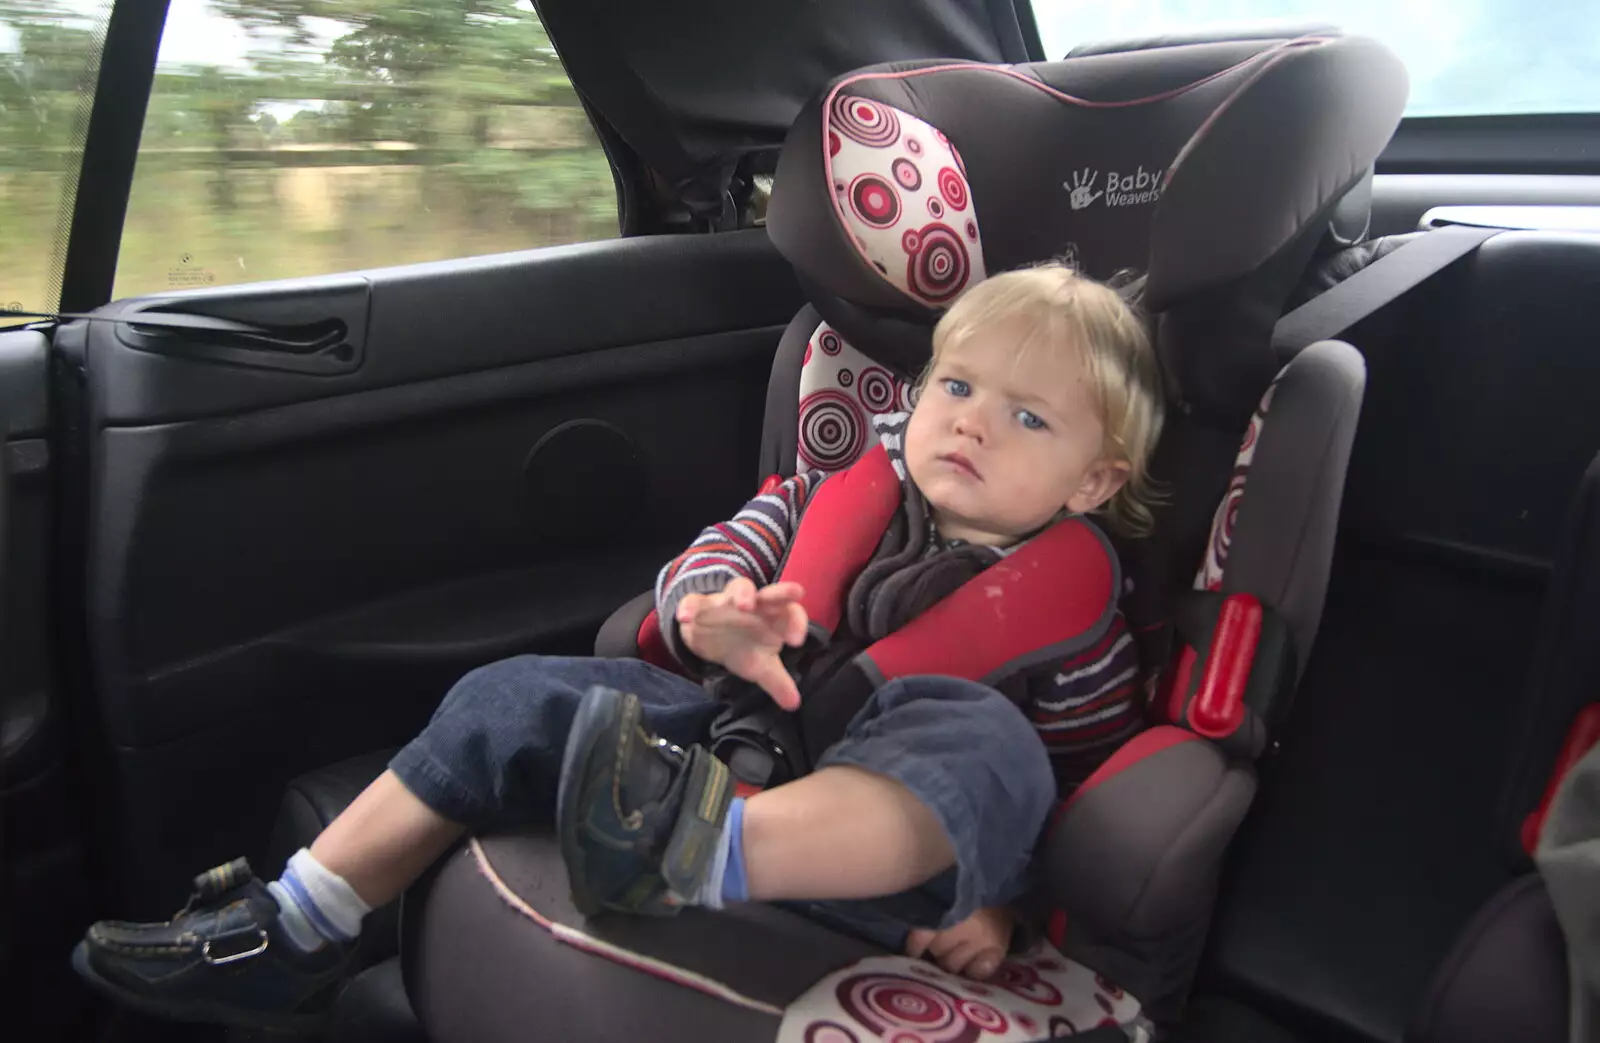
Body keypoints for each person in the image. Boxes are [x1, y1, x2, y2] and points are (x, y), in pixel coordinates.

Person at [71, 262, 1164, 1032]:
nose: (971, 421)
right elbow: (708, 560)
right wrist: (711, 614)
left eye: (1027, 417)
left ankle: (706, 853)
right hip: (705, 759)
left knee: (984, 741)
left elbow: (1066, 782)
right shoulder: (828, 497)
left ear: (1092, 481)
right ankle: (296, 926)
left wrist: (1003, 898)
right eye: (958, 388)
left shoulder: (1074, 618)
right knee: (512, 693)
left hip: (877, 855)